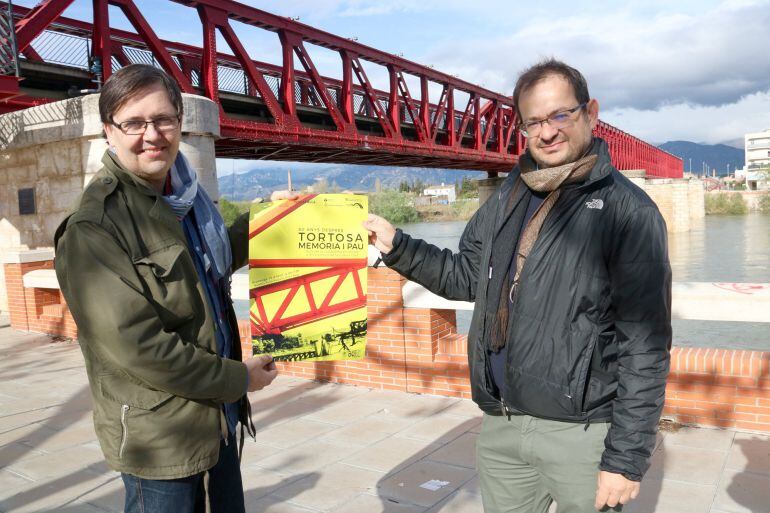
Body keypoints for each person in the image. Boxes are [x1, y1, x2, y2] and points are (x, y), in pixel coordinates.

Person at [364, 58, 671, 513]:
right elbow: (467, 276)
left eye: (560, 115)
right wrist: (397, 245)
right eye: (533, 122)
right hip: (503, 426)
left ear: (591, 112)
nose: (547, 132)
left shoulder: (628, 212)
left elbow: (645, 347)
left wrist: (625, 460)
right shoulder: (510, 194)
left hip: (581, 435)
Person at [54, 64, 296, 513]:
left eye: (163, 119)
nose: (152, 134)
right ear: (109, 131)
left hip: (215, 419)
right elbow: (141, 347)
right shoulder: (95, 227)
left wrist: (269, 220)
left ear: (180, 122)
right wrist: (237, 379)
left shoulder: (180, 197)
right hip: (160, 437)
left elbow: (207, 265)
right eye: (133, 122)